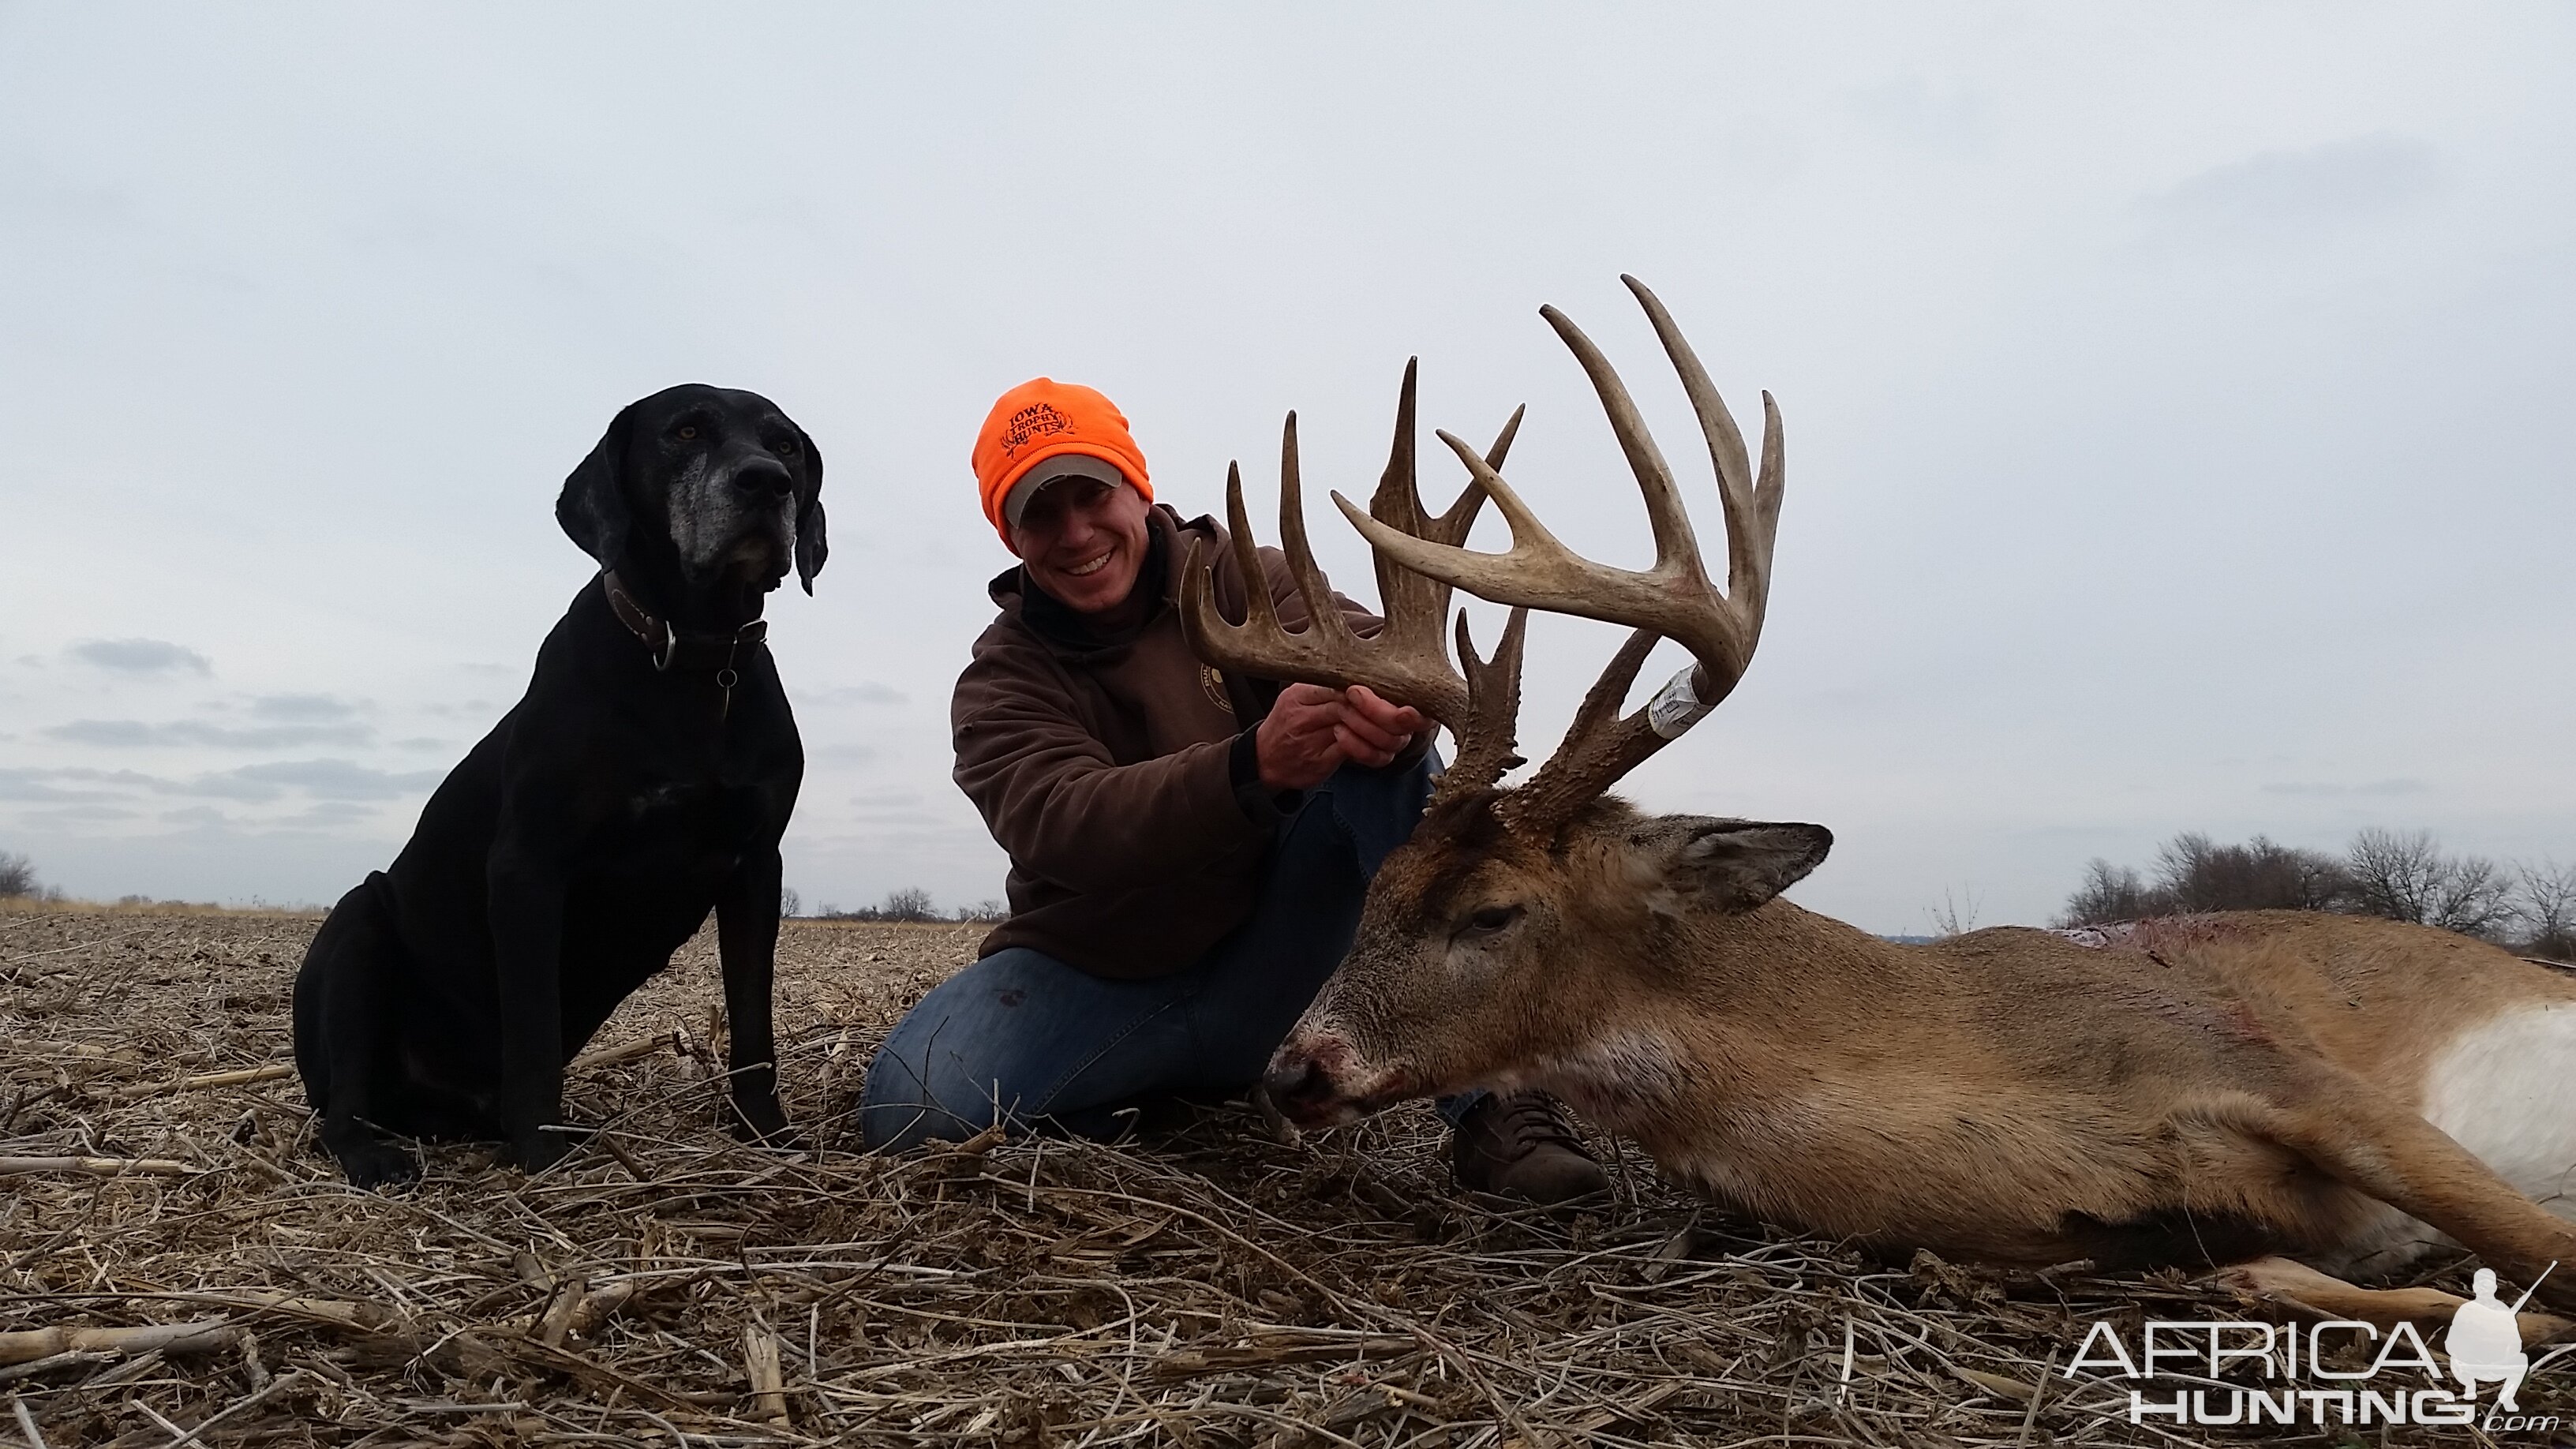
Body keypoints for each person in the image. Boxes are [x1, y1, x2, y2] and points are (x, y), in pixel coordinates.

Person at [858, 377, 1608, 1202]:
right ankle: (1153, 1094)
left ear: (1137, 490)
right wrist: (1248, 769)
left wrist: (1392, 710)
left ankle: (1500, 1115)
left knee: (1385, 772)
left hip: (1281, 964)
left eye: (1091, 494)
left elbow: (1369, 646)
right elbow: (1059, 820)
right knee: (913, 1106)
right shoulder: (1002, 678)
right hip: (1106, 973)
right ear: (1010, 534)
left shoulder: (1252, 579)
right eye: (1040, 512)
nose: (1074, 532)